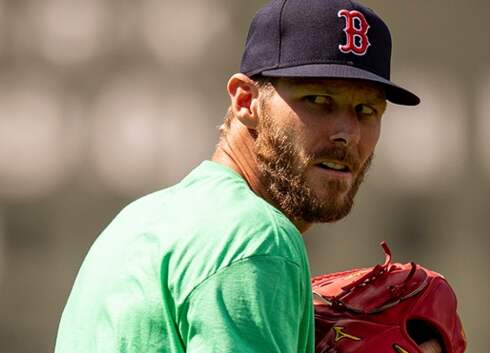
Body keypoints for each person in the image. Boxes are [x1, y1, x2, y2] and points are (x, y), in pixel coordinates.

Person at [54, 0, 442, 352]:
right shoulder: (258, 239)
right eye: (319, 100)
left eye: (366, 110)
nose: (348, 132)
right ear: (245, 101)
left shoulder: (138, 222)